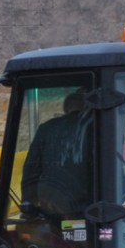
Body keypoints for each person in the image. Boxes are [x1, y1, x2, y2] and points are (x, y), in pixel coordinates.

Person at [21, 90, 93, 218]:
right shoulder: (96, 127)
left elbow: (31, 168)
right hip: (92, 207)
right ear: (86, 108)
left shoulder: (46, 128)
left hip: (53, 206)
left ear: (66, 109)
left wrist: (28, 204)